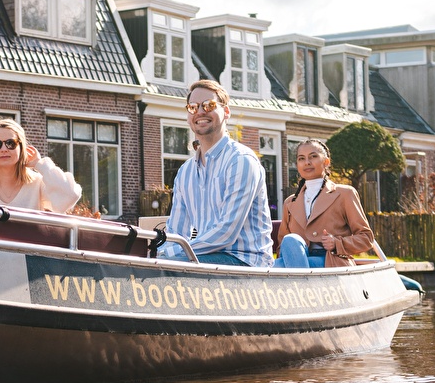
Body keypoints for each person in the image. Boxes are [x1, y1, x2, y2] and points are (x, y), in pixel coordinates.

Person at [158, 79, 272, 267]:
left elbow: (226, 234)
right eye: (193, 107)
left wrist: (175, 255)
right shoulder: (185, 172)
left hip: (245, 262)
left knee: (165, 269)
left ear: (226, 112)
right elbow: (176, 232)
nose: (200, 112)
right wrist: (160, 254)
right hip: (202, 259)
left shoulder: (241, 161)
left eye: (209, 105)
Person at [275, 139, 375, 268]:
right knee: (290, 240)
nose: (307, 162)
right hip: (298, 258)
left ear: (326, 161)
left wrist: (337, 243)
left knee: (275, 266)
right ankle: (304, 282)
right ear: (297, 164)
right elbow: (281, 245)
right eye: (301, 158)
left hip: (330, 261)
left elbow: (366, 238)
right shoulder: (290, 202)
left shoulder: (345, 194)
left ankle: (300, 282)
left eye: (313, 156)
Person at [0, 118, 81, 212]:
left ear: (21, 148)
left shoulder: (38, 184)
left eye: (10, 143)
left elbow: (71, 195)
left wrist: (40, 164)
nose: (4, 149)